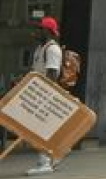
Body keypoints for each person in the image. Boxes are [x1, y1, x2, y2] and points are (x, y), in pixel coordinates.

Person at [26, 16, 63, 176]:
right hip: (38, 95)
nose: (36, 31)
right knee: (40, 130)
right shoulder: (40, 48)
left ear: (48, 31)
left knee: (42, 130)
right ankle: (51, 159)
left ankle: (45, 162)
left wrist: (44, 96)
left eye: (39, 28)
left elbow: (52, 74)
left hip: (45, 96)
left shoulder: (52, 49)